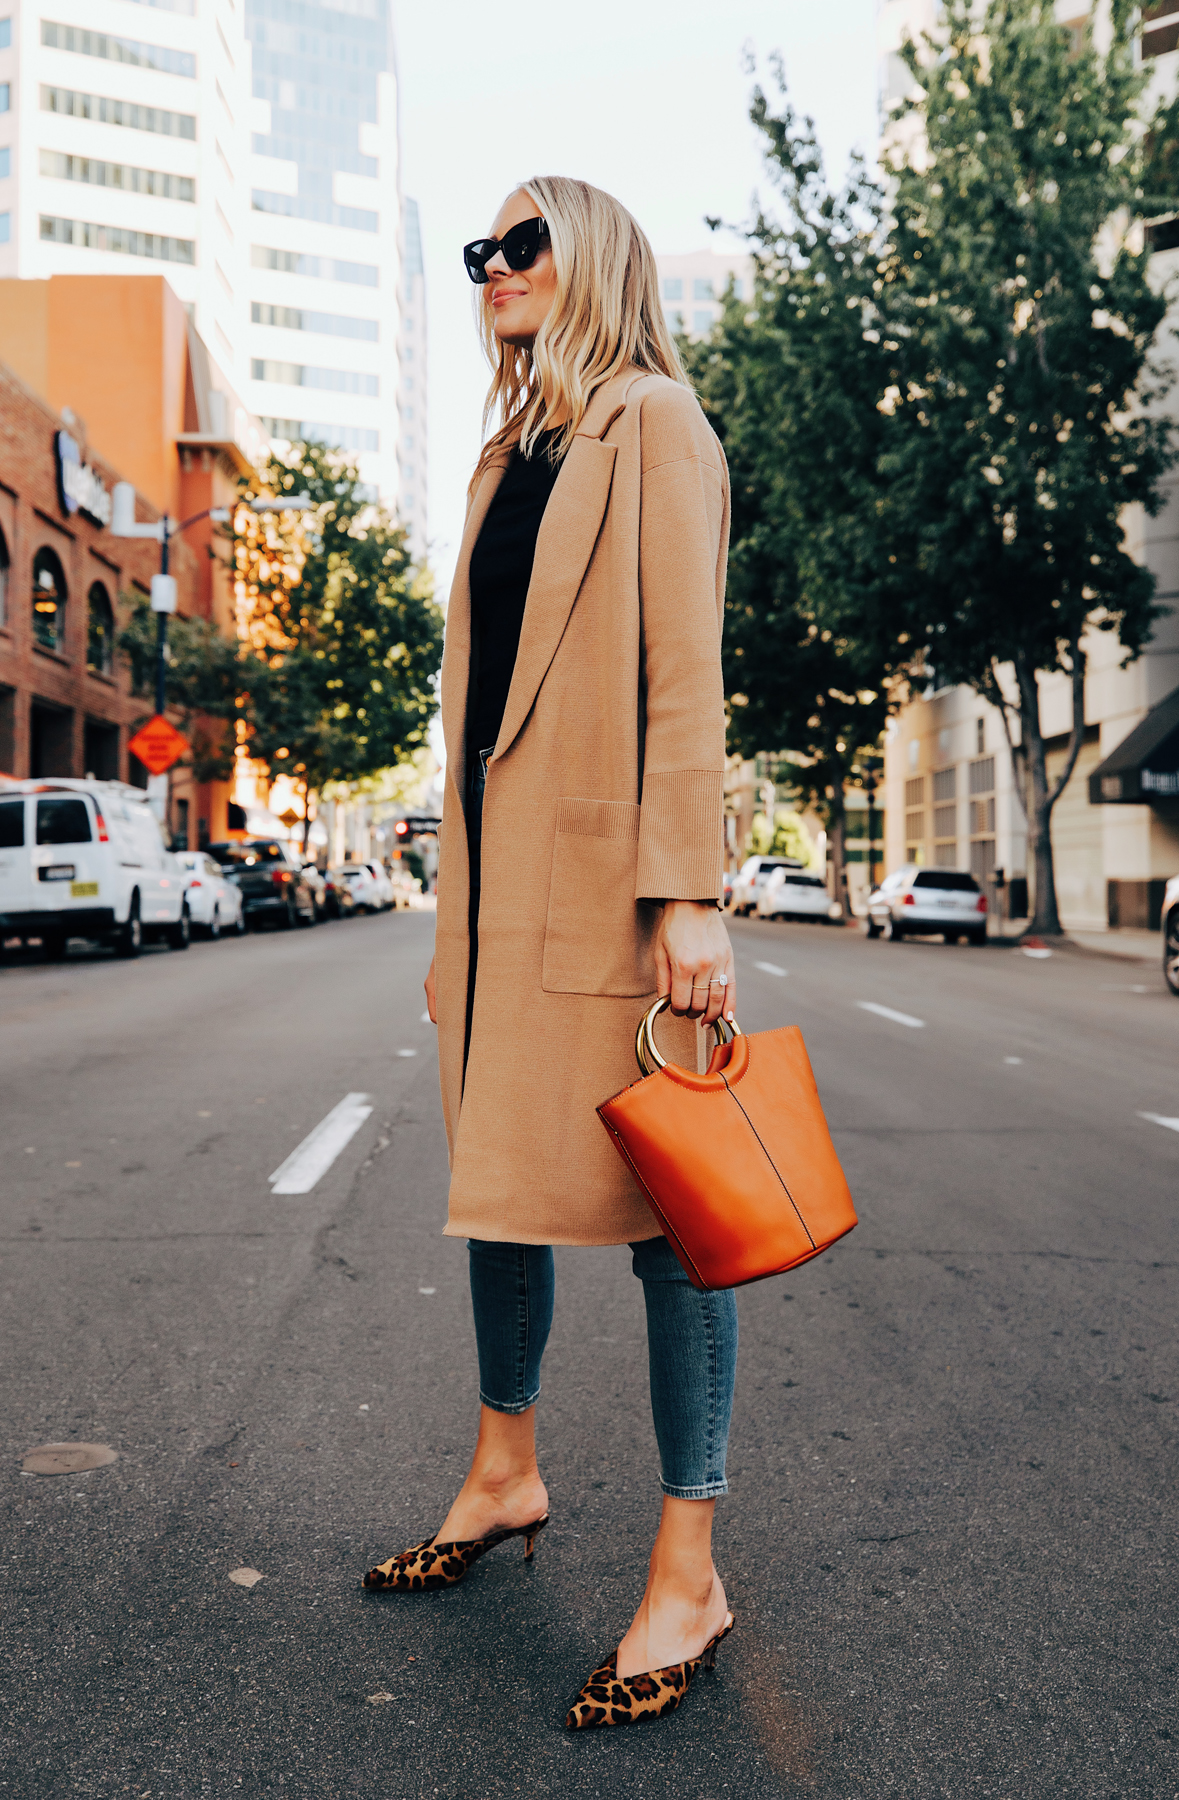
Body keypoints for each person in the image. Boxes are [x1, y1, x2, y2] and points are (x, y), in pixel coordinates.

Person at [362, 176, 739, 1731]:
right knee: (498, 1190)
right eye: (482, 253)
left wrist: (690, 892)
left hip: (608, 888)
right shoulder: (502, 455)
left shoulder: (655, 422)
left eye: (525, 245)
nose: (497, 270)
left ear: (589, 259)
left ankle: (690, 1569)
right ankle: (505, 1472)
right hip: (495, 887)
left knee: (674, 1213)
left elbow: (681, 670)